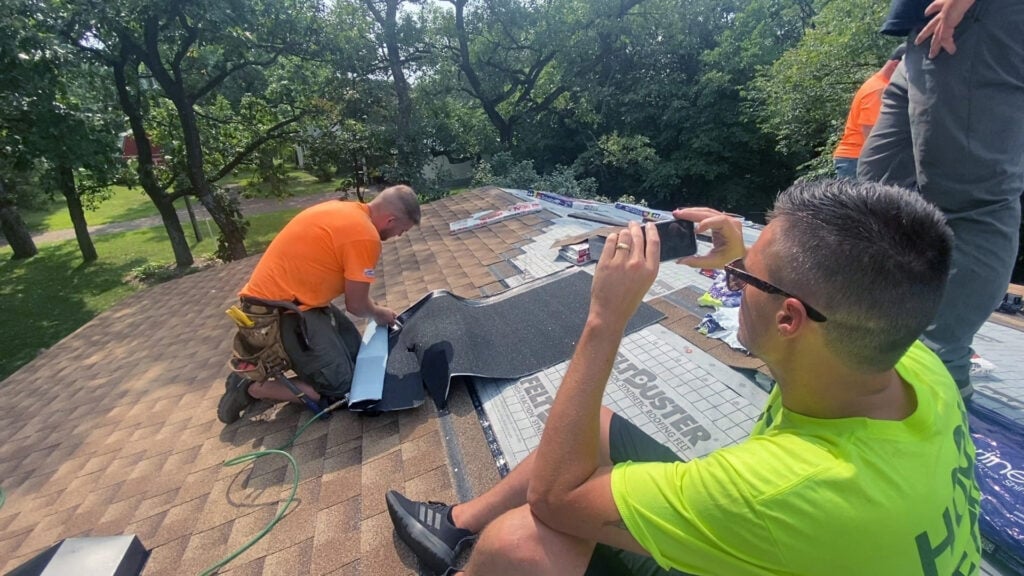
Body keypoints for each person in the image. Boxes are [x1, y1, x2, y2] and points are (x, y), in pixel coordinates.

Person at [386, 180, 981, 576]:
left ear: (789, 317)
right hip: (804, 541)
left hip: (785, 530)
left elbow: (557, 500)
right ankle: (454, 527)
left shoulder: (781, 491)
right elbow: (805, 317)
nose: (732, 278)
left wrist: (603, 317)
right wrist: (748, 262)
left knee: (521, 543)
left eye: (746, 275)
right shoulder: (906, 361)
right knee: (590, 428)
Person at [857, 0, 1024, 398]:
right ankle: (889, 331)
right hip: (923, 30)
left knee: (972, 198)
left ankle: (941, 373)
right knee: (879, 185)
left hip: (974, 20)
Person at [217, 185, 420, 424]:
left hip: (300, 304)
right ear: (391, 219)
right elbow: (355, 305)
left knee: (360, 361)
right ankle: (250, 386)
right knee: (343, 391)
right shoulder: (364, 235)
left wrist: (374, 309)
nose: (398, 235)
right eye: (401, 230)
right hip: (278, 315)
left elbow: (353, 289)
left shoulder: (346, 211)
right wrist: (378, 312)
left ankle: (307, 368)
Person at [832, 44, 906, 179]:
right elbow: (872, 137)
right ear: (896, 66)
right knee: (863, 201)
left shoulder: (879, 85)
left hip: (855, 159)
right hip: (856, 160)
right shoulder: (878, 90)